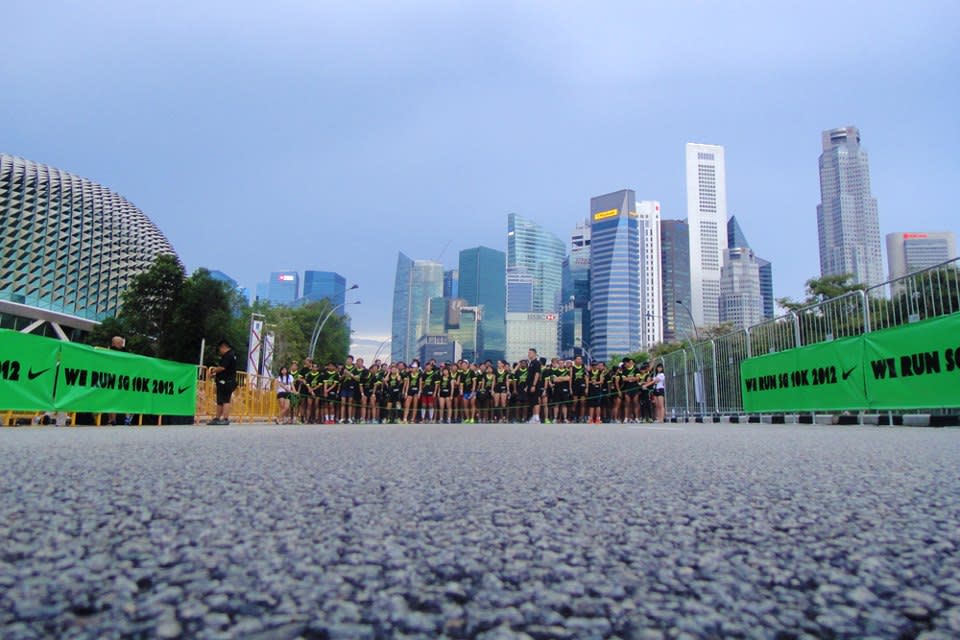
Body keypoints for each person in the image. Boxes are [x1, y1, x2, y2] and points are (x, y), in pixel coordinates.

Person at [209, 339, 237, 425]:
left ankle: (225, 418)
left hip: (226, 381)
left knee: (225, 400)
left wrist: (213, 370)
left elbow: (222, 367)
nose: (220, 351)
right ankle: (217, 418)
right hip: (225, 381)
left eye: (220, 349)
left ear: (223, 347)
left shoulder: (228, 355)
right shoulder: (232, 355)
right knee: (220, 400)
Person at [526, 348, 543, 423]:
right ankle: (533, 417)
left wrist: (533, 385)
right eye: (528, 353)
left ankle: (537, 418)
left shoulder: (537, 362)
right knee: (532, 401)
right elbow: (529, 375)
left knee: (536, 401)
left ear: (535, 354)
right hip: (530, 385)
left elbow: (537, 374)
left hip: (535, 385)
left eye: (530, 353)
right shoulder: (531, 363)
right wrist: (528, 386)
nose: (529, 354)